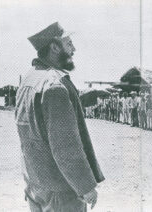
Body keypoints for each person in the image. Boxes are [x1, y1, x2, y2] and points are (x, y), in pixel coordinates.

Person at [14, 22, 104, 211]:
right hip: (60, 192)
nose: (74, 49)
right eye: (69, 43)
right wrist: (85, 186)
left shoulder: (28, 79)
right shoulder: (55, 86)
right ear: (54, 47)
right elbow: (65, 146)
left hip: (35, 185)